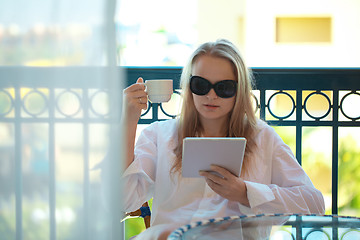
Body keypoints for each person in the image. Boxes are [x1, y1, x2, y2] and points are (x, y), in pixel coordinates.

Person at [121, 39, 325, 239]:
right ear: (189, 85)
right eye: (200, 85)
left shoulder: (262, 138)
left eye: (224, 87)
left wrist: (246, 192)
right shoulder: (160, 135)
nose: (211, 95)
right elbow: (124, 200)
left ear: (240, 90)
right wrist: (129, 121)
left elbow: (314, 204)